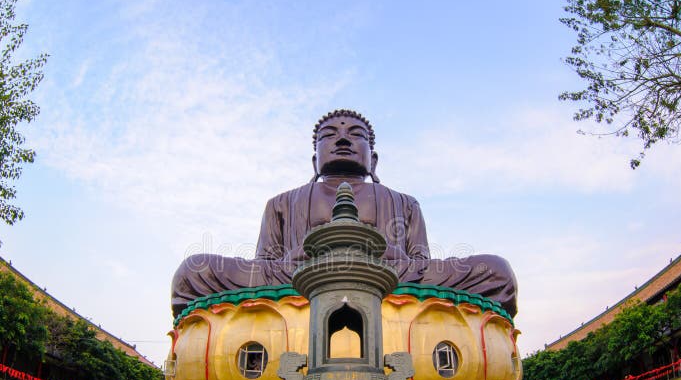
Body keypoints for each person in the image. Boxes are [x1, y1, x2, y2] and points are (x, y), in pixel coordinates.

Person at [172, 109, 518, 318]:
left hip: (387, 280)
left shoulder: (404, 202)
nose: (342, 140)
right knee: (193, 271)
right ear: (314, 159)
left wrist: (388, 257)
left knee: (496, 270)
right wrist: (300, 258)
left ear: (374, 158)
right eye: (329, 135)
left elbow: (420, 264)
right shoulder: (281, 202)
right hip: (298, 280)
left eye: (356, 135)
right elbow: (265, 266)